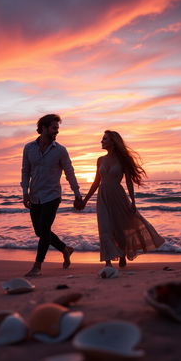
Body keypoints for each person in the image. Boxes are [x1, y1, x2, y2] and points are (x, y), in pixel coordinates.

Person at [80, 130, 165, 268]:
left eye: (104, 139)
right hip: (103, 196)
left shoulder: (123, 160)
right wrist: (85, 200)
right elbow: (96, 182)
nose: (101, 141)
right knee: (104, 228)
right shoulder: (100, 160)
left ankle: (122, 254)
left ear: (113, 141)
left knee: (120, 228)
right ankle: (107, 262)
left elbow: (129, 182)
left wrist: (133, 201)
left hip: (118, 195)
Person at [21, 114, 82, 276]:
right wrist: (25, 192)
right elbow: (25, 171)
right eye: (54, 128)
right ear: (43, 128)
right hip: (35, 196)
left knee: (45, 228)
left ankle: (37, 266)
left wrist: (77, 193)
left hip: (52, 196)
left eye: (57, 128)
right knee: (40, 232)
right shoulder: (29, 148)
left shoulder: (60, 150)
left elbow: (69, 172)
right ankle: (65, 248)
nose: (57, 131)